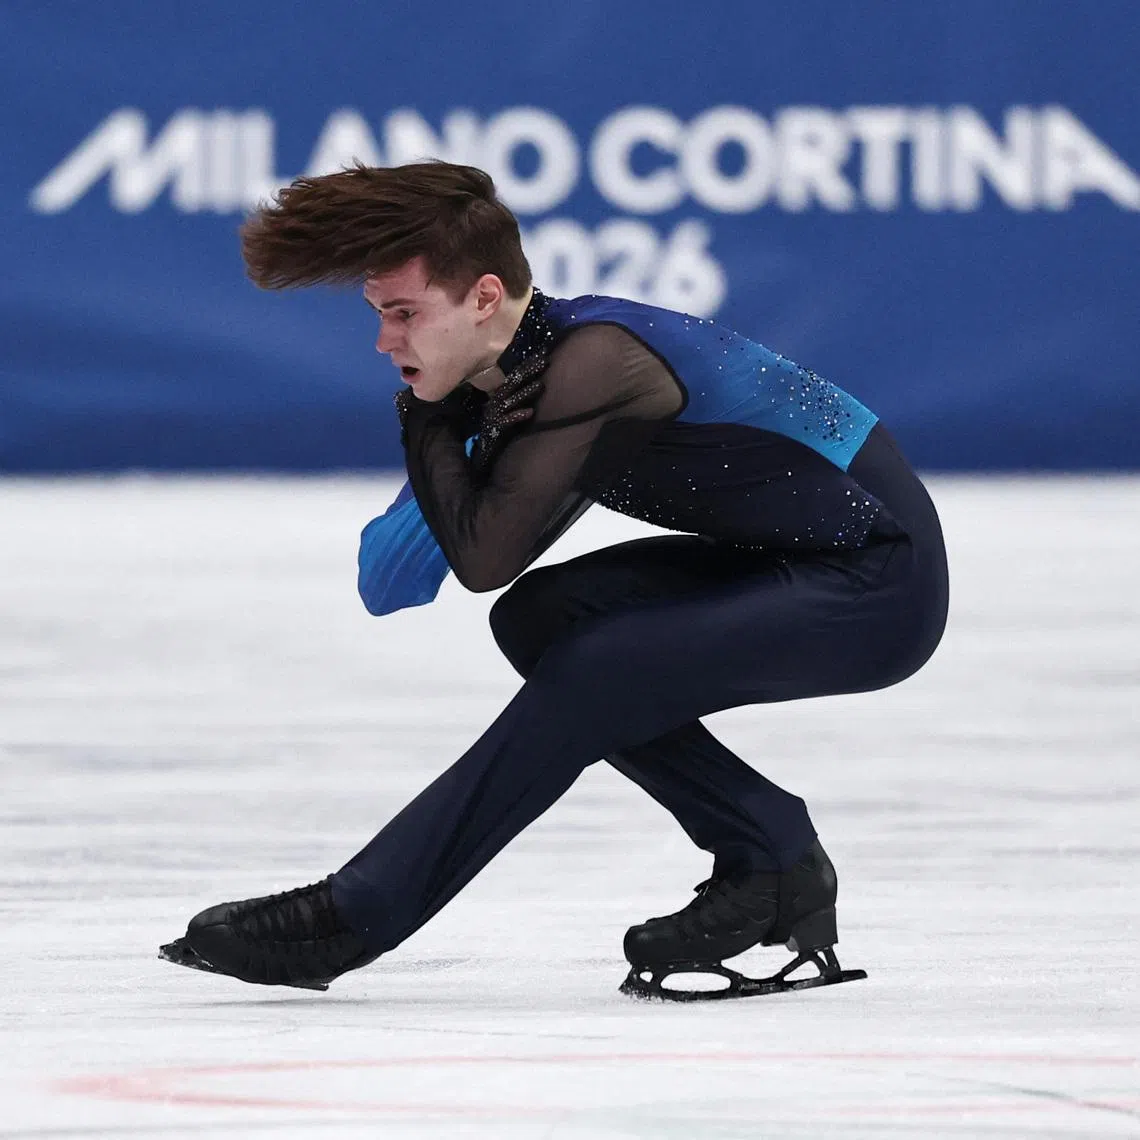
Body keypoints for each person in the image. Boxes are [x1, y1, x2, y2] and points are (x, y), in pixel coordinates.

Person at [159, 161, 949, 1001]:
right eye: (378, 315)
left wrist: (436, 419)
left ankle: (356, 913)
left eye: (403, 315)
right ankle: (771, 855)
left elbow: (483, 557)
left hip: (880, 582)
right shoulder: (512, 384)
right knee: (539, 619)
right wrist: (464, 421)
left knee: (599, 661)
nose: (385, 341)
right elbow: (387, 581)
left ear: (485, 298)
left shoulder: (597, 362)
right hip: (786, 560)